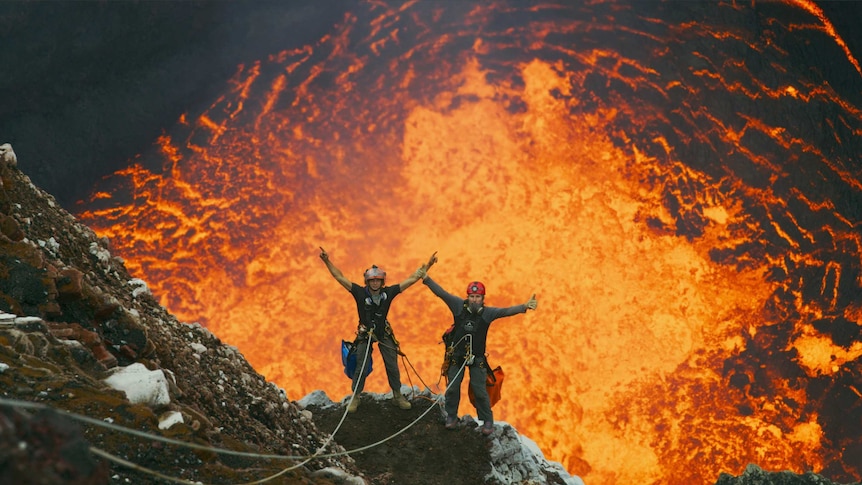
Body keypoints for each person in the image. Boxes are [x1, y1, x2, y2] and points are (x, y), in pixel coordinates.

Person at [421, 256, 537, 436]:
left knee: (480, 390)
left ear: (483, 298)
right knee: (452, 387)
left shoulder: (488, 313)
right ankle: (451, 416)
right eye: (472, 296)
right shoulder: (458, 306)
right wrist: (426, 279)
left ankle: (487, 420)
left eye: (478, 297)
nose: (475, 299)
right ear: (468, 296)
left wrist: (524, 306)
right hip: (457, 356)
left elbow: (505, 311)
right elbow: (442, 293)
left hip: (477, 359)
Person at [319, 247, 436, 412]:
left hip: (383, 332)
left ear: (382, 282)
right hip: (365, 334)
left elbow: (410, 280)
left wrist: (428, 266)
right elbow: (339, 277)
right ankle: (356, 397)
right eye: (372, 280)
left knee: (392, 363)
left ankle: (397, 395)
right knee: (361, 362)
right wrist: (327, 261)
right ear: (367, 282)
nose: (375, 283)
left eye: (378, 280)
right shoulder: (359, 292)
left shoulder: (389, 293)